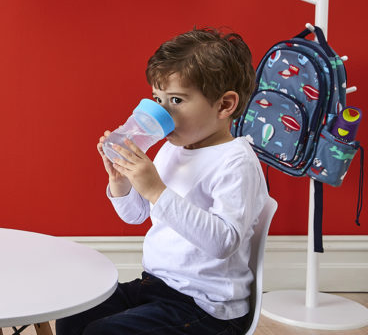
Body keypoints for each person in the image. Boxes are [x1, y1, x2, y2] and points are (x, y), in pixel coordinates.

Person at [56, 27, 273, 335]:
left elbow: (223, 242)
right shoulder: (173, 148)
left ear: (224, 105)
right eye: (157, 98)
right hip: (157, 285)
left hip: (205, 306)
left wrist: (157, 189)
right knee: (74, 315)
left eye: (176, 100)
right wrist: (121, 181)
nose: (161, 111)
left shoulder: (236, 162)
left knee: (103, 332)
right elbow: (136, 216)